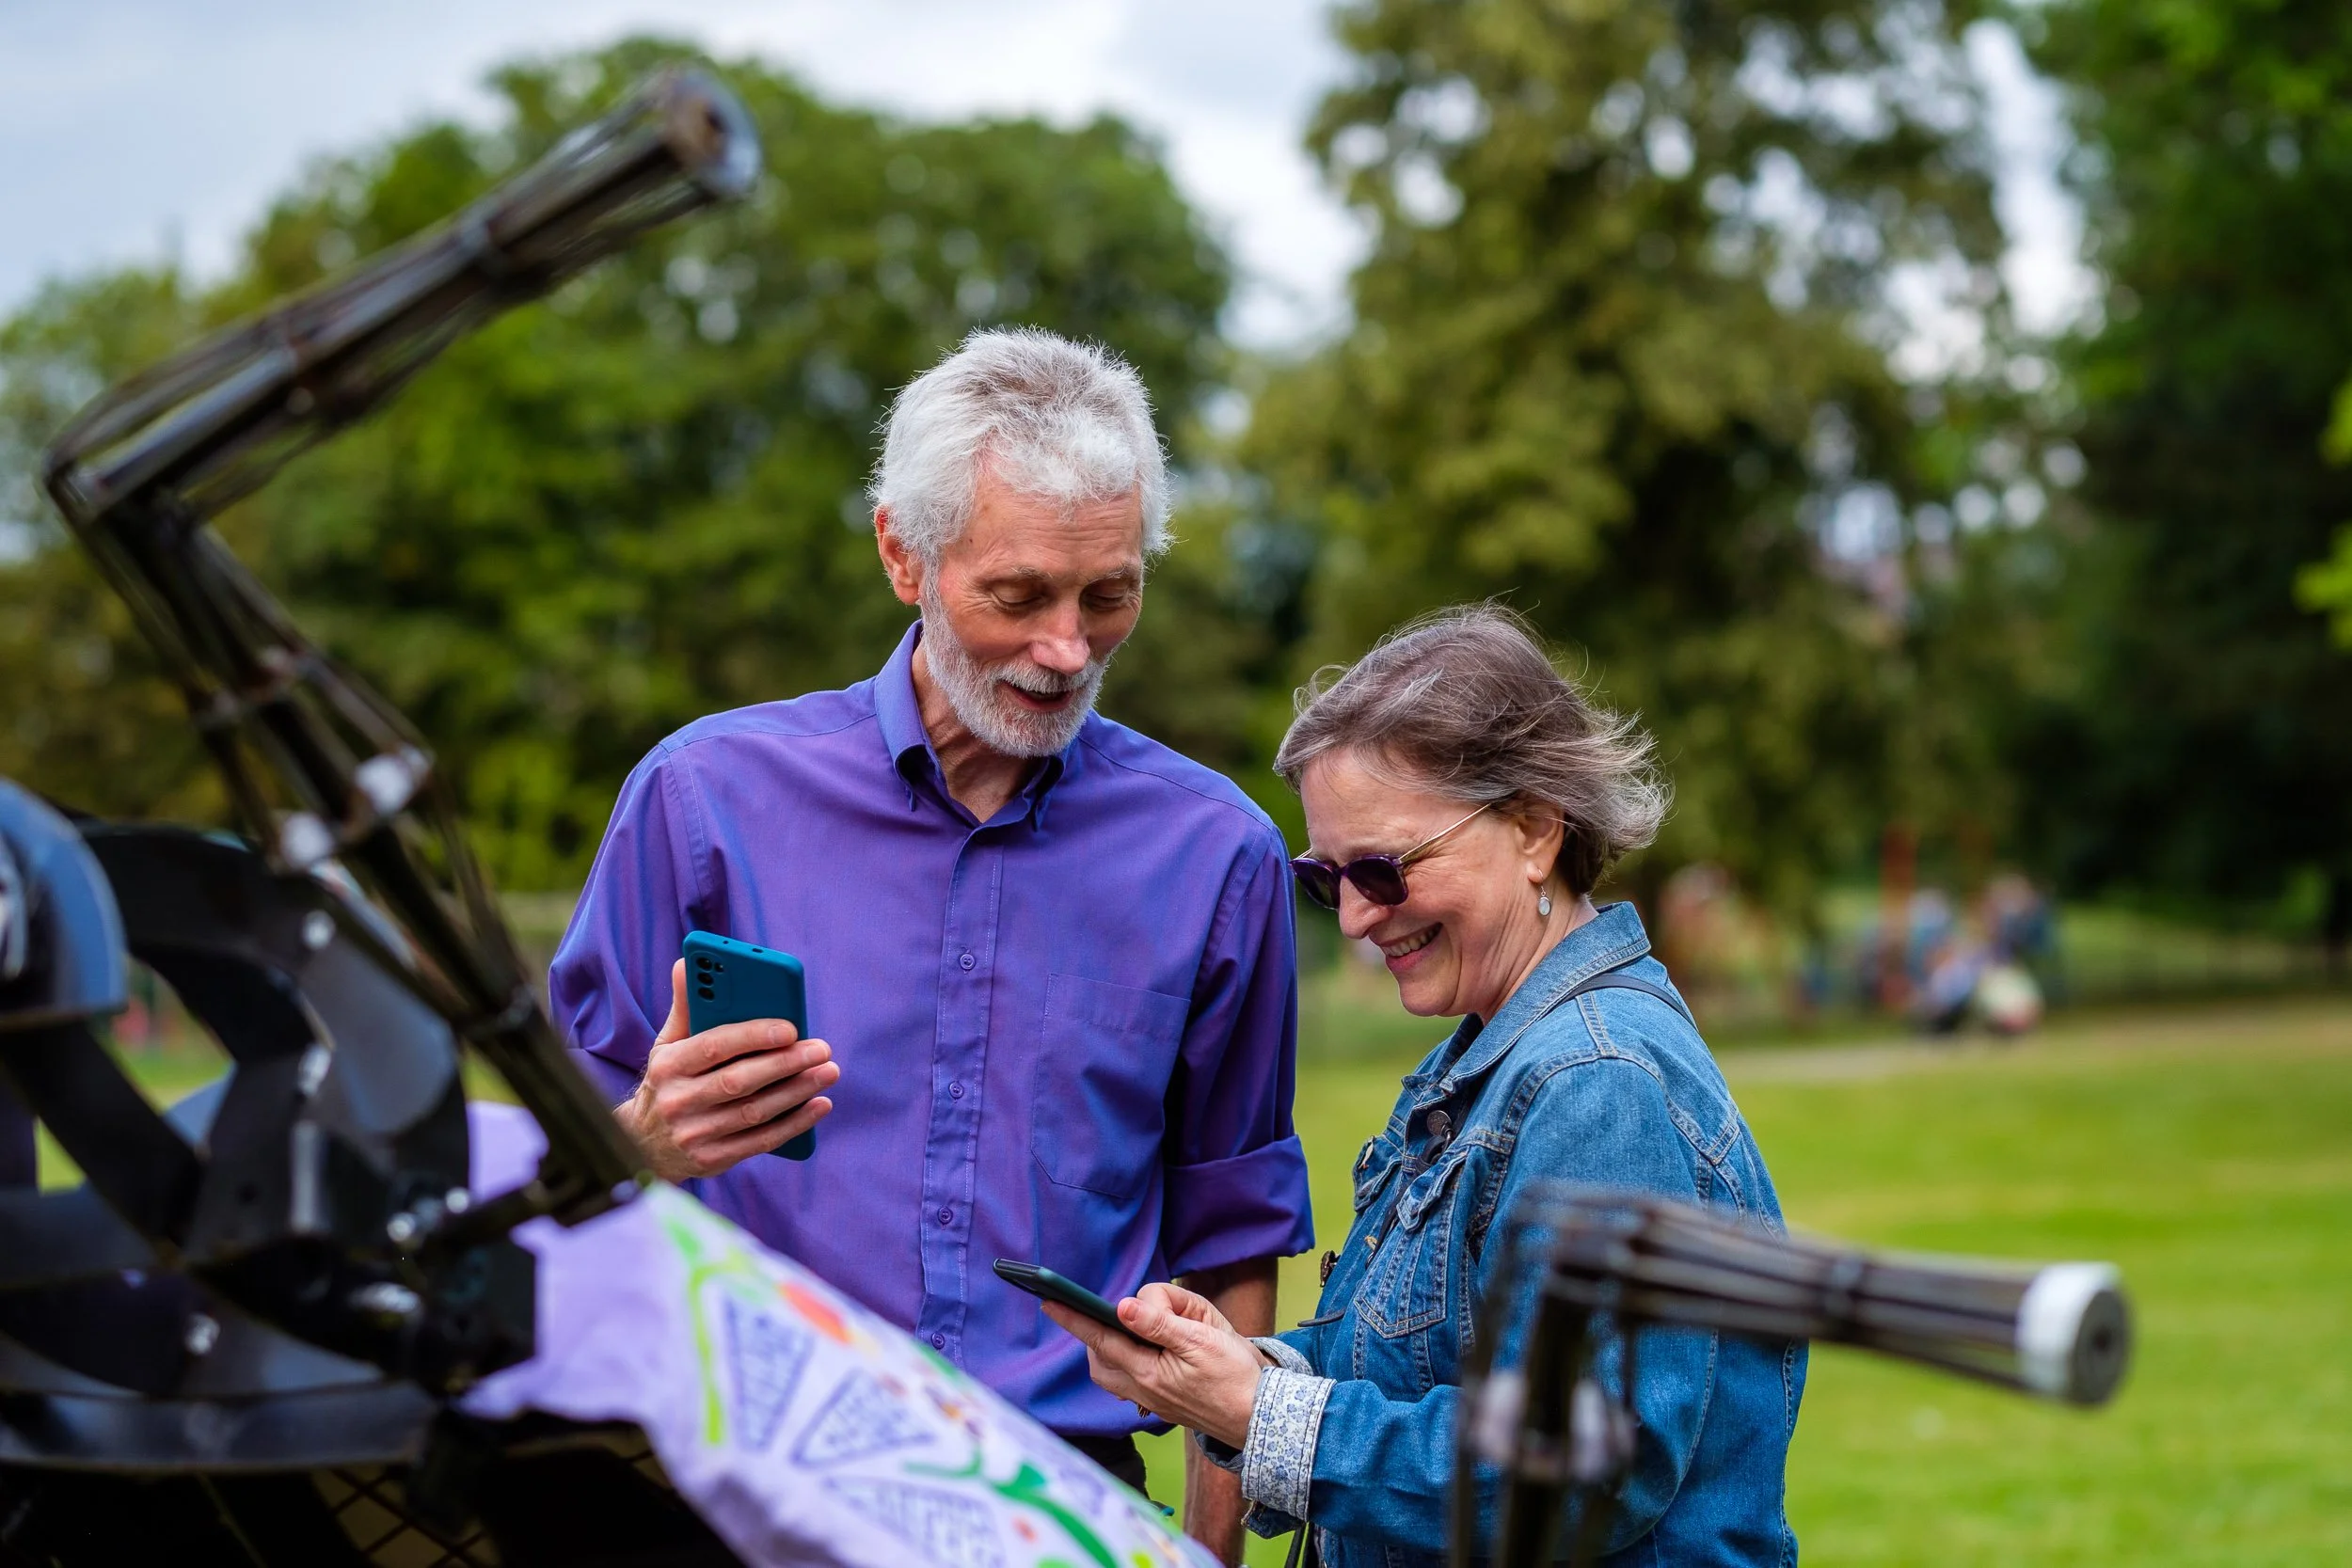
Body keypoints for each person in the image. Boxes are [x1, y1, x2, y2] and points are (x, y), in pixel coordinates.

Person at [549, 328, 1313, 1560]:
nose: (1068, 647)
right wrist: (642, 1139)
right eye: (1019, 594)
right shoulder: (700, 803)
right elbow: (553, 1190)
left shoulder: (1216, 852)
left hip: (1062, 1501)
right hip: (734, 1488)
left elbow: (1232, 1229)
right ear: (903, 551)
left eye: (1107, 593)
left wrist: (1211, 1554)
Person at [1045, 607, 1804, 1566]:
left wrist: (1262, 1411)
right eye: (1329, 879)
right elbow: (1419, 1368)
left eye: (1383, 868)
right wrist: (1245, 1369)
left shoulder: (1594, 1081)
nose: (1357, 917)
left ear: (1533, 829)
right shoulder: (1494, 1059)